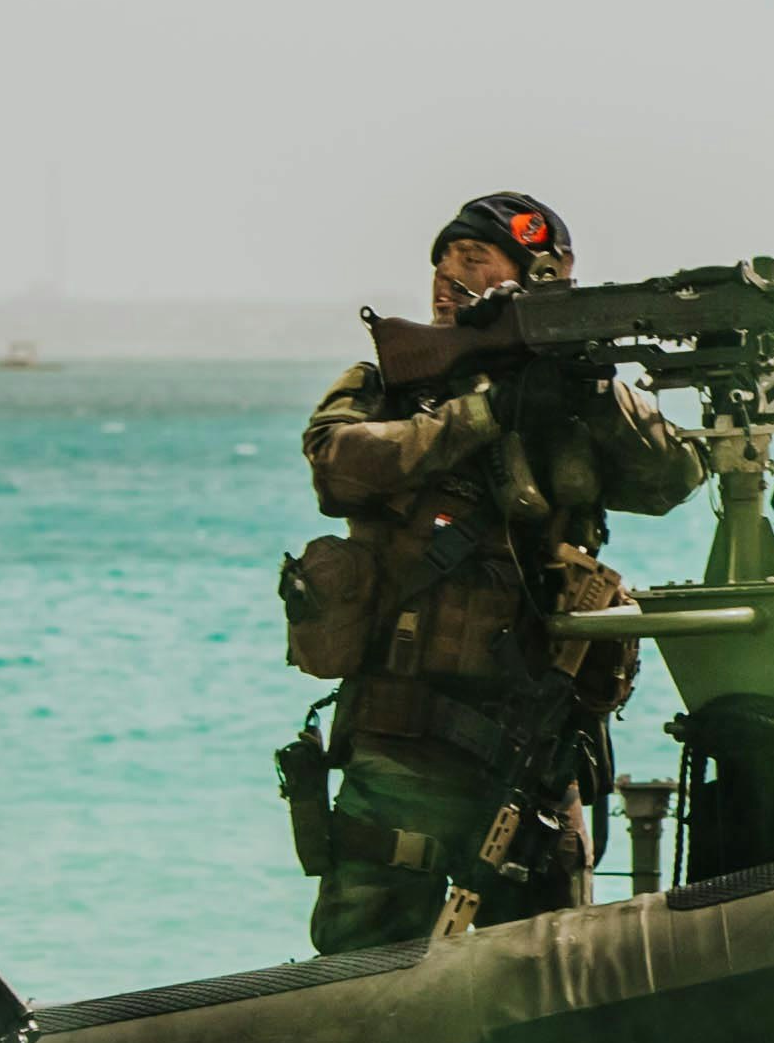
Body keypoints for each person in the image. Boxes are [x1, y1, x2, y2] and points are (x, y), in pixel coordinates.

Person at [286, 196, 704, 951]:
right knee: (366, 961)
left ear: (531, 282)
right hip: (406, 728)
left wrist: (594, 390)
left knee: (550, 960)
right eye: (442, 264)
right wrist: (485, 412)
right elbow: (338, 469)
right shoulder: (389, 380)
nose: (449, 281)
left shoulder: (575, 397)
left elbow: (669, 481)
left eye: (473, 263)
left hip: (539, 732)